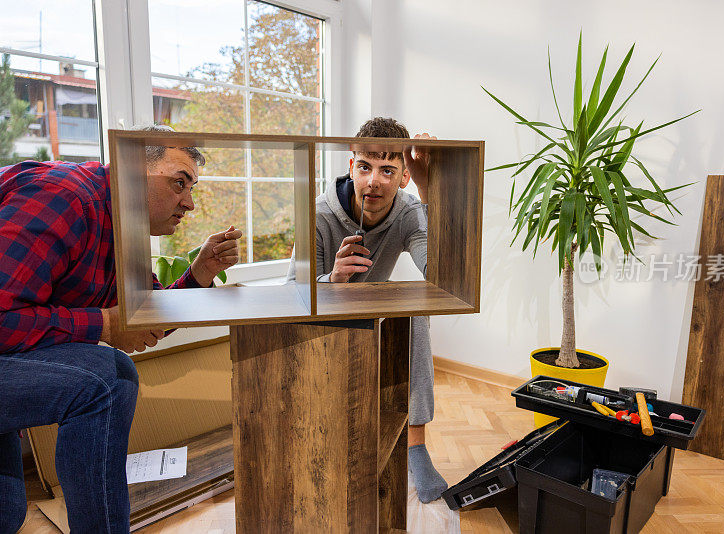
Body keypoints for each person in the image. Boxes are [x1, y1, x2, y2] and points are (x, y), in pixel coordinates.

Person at [0, 124, 241, 533]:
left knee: (6, 515)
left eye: (191, 188)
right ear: (131, 167)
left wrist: (201, 272)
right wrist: (106, 325)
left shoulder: (120, 228)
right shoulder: (64, 198)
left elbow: (145, 318)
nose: (190, 203)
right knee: (108, 377)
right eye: (179, 183)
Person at [286, 117, 447, 503]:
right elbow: (293, 294)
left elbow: (440, 275)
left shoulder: (409, 212)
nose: (373, 181)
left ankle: (415, 447)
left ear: (403, 177)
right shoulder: (320, 213)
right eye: (365, 167)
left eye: (387, 170)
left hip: (372, 316)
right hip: (322, 320)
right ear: (351, 165)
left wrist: (428, 189)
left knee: (416, 308)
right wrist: (335, 278)